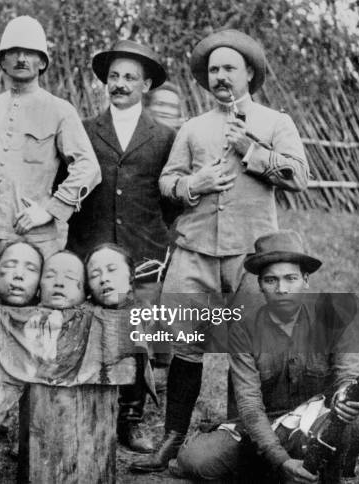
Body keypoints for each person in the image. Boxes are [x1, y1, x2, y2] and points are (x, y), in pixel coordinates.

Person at [130, 29, 310, 472]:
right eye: (213, 70)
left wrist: (252, 149)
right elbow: (167, 183)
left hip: (250, 258)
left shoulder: (274, 122)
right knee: (184, 346)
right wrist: (194, 184)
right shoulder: (193, 128)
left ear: (250, 73)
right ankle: (171, 440)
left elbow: (299, 176)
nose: (221, 76)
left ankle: (242, 437)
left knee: (247, 348)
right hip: (193, 254)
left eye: (230, 68)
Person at [169, 230, 359, 483]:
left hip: (316, 421)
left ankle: (326, 474)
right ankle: (278, 468)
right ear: (260, 284)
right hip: (260, 427)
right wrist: (280, 459)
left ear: (306, 279)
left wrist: (344, 397)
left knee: (352, 425)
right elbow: (250, 407)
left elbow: (348, 376)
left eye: (291, 278)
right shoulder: (243, 329)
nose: (282, 289)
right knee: (196, 459)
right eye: (271, 280)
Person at [67, 40, 176, 452]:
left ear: (146, 84)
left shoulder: (165, 137)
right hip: (90, 247)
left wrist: (153, 239)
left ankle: (130, 421)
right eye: (114, 76)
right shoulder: (83, 129)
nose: (121, 84)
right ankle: (86, 415)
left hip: (142, 252)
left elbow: (170, 200)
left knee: (137, 339)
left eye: (130, 77)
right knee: (89, 336)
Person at [0, 15, 101, 328]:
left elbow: (88, 167)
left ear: (42, 62)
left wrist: (52, 209)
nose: (22, 58)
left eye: (30, 53)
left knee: (37, 323)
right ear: (2, 60)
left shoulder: (59, 109)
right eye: (13, 52)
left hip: (31, 233)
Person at [85, 243, 157, 452]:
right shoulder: (84, 312)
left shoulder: (140, 309)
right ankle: (93, 418)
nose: (104, 278)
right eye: (95, 275)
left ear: (131, 276)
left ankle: (130, 420)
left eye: (112, 270)